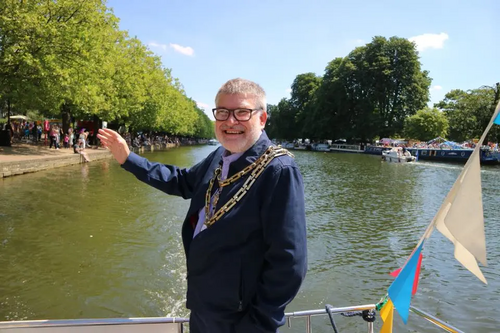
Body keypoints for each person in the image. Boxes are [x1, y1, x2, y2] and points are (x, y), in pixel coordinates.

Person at [97, 78, 307, 333]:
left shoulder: (279, 170)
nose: (230, 121)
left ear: (261, 119)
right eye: (222, 112)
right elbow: (182, 182)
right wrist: (129, 159)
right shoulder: (220, 155)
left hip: (239, 319)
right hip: (204, 304)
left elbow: (289, 262)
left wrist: (257, 324)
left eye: (242, 112)